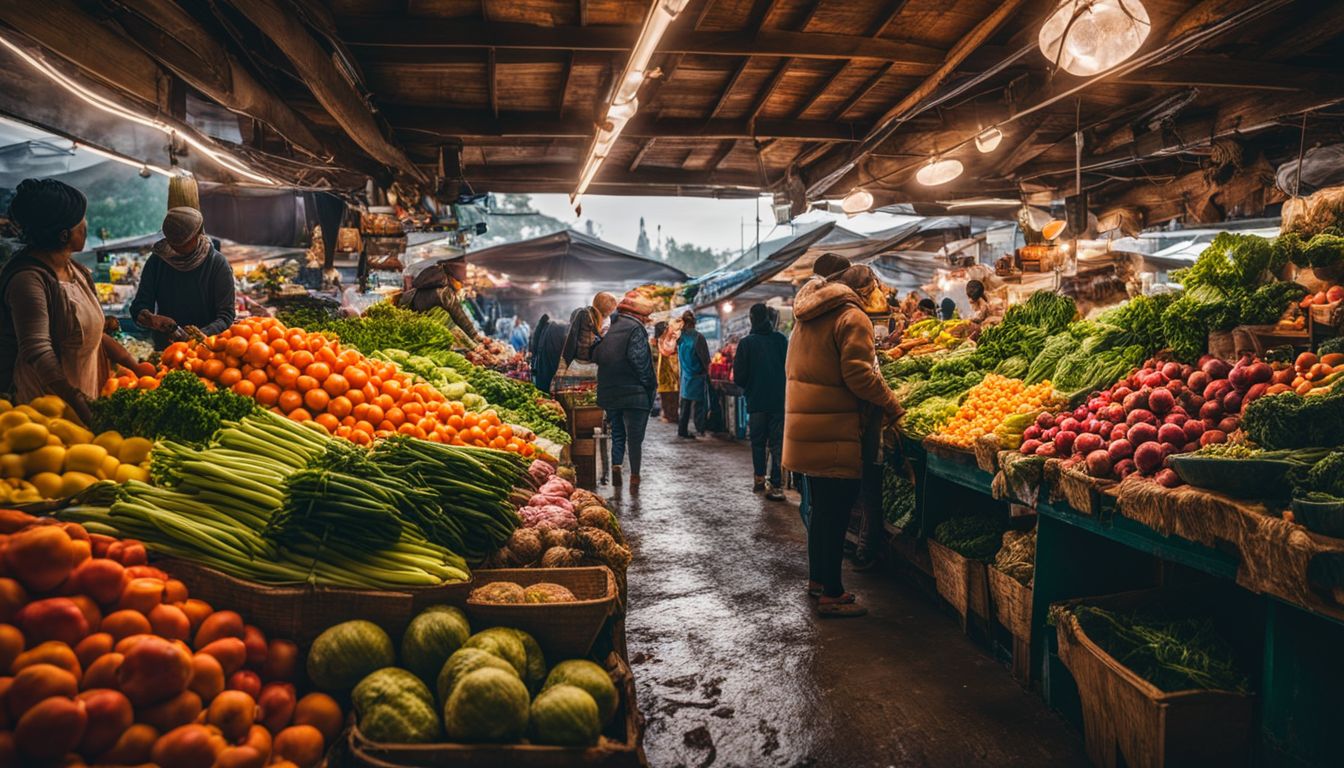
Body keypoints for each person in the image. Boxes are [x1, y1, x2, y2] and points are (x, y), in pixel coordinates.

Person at [784, 264, 903, 618]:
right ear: (867, 290)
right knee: (836, 513)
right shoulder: (852, 317)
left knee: (822, 512)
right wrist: (891, 403)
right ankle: (832, 594)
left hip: (808, 428)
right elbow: (859, 375)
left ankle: (819, 581)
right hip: (834, 429)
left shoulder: (809, 315)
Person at [0, 179, 138, 422]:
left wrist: (133, 365)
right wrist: (77, 401)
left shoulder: (77, 272)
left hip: (84, 395)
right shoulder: (28, 280)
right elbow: (38, 350)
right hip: (45, 408)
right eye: (80, 221)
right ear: (64, 234)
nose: (86, 225)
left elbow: (90, 334)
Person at [129, 207, 236, 350]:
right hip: (167, 349)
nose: (174, 248)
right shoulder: (157, 261)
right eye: (172, 242)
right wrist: (151, 319)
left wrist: (196, 336)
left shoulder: (217, 264)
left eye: (182, 244)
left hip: (205, 350)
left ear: (197, 235)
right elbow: (139, 306)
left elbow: (226, 316)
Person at [591, 290, 657, 488]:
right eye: (645, 317)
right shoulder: (635, 329)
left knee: (618, 433)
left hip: (610, 392)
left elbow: (597, 355)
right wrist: (649, 385)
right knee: (634, 438)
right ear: (638, 316)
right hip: (634, 393)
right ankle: (634, 476)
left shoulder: (608, 328)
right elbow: (640, 361)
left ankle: (617, 466)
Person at [734, 303, 788, 500]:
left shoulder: (746, 343)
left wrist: (750, 386)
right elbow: (790, 369)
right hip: (778, 401)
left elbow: (739, 376)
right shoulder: (781, 340)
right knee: (776, 443)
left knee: (758, 442)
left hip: (756, 400)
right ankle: (776, 485)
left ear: (751, 318)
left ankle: (759, 478)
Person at [397, 261, 485, 343]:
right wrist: (474, 336)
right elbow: (459, 315)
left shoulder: (413, 292)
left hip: (416, 339)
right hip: (434, 340)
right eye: (464, 268)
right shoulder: (443, 292)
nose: (465, 273)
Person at [676, 310, 711, 439]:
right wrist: (707, 371)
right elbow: (705, 358)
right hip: (697, 375)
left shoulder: (680, 338)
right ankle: (700, 429)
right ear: (694, 322)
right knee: (699, 405)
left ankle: (682, 430)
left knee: (685, 404)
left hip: (685, 375)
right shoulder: (698, 337)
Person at [562, 292, 618, 367]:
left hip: (582, 352)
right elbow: (602, 338)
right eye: (611, 311)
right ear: (606, 311)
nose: (611, 313)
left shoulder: (589, 313)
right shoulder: (588, 318)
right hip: (585, 355)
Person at [529, 313, 568, 393]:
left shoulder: (546, 328)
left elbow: (534, 350)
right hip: (548, 378)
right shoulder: (557, 329)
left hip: (541, 377)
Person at [653, 321, 679, 424]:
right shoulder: (659, 342)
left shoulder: (667, 341)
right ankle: (670, 415)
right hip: (667, 373)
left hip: (670, 373)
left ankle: (671, 415)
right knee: (668, 395)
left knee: (670, 395)